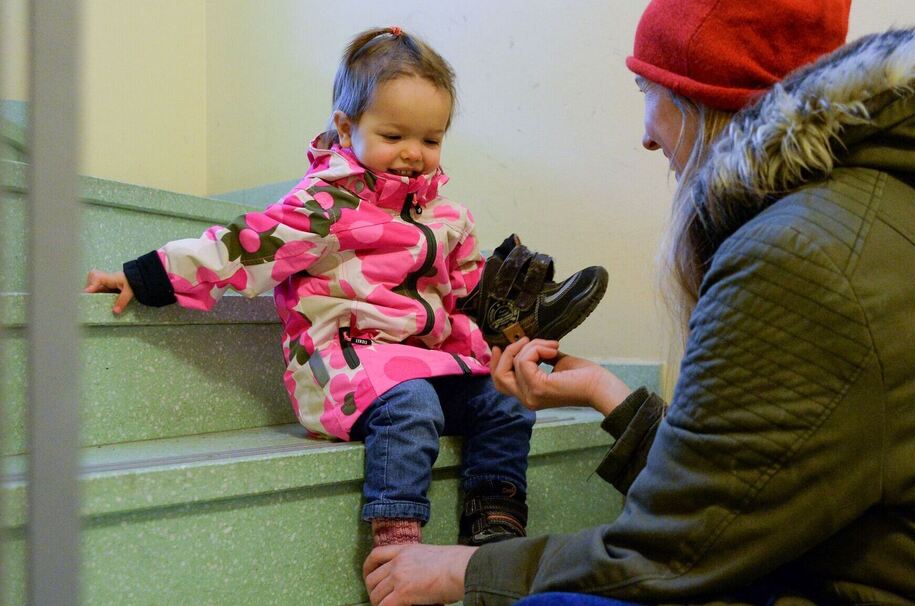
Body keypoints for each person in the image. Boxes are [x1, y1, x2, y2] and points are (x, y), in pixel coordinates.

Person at [362, 0, 915, 604]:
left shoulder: (797, 254)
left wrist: (464, 568)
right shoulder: (865, 218)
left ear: (703, 97)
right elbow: (756, 487)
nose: (646, 132)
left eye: (648, 90)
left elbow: (673, 553)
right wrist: (609, 394)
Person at [83, 26, 608, 554]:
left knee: (505, 398)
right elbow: (243, 249)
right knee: (412, 405)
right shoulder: (324, 207)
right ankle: (397, 543)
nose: (413, 154)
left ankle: (495, 517)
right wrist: (146, 276)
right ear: (346, 125)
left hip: (427, 359)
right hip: (346, 367)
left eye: (430, 140)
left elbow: (463, 290)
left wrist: (498, 326)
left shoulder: (449, 217)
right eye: (394, 136)